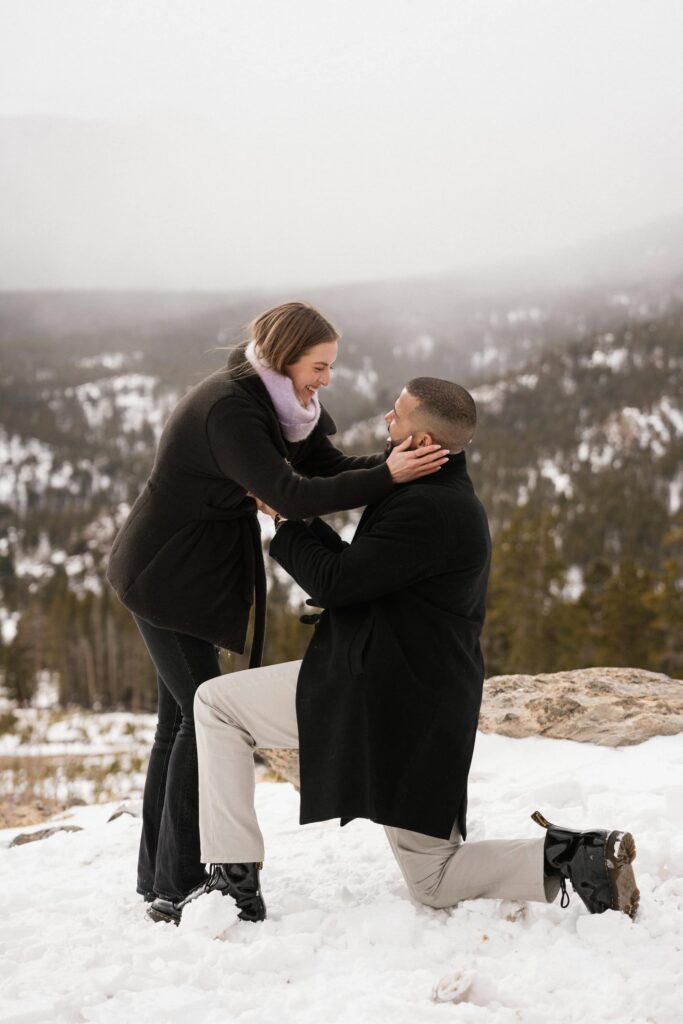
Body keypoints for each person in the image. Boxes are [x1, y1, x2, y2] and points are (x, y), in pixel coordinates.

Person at [157, 375, 639, 927]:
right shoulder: (437, 495)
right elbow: (363, 573)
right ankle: (579, 857)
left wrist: (287, 523)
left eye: (397, 414)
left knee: (216, 705)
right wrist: (296, 518)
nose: (387, 420)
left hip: (382, 691)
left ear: (427, 440)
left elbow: (338, 583)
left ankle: (233, 884)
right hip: (425, 699)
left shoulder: (427, 509)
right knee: (433, 879)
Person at [105, 302, 448, 919]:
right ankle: (176, 887)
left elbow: (331, 469)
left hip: (188, 575)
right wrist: (390, 477)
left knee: (178, 723)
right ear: (286, 357)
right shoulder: (232, 411)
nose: (326, 379)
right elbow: (290, 495)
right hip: (163, 577)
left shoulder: (285, 406)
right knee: (198, 719)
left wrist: (404, 468)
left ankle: (157, 880)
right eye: (319, 366)